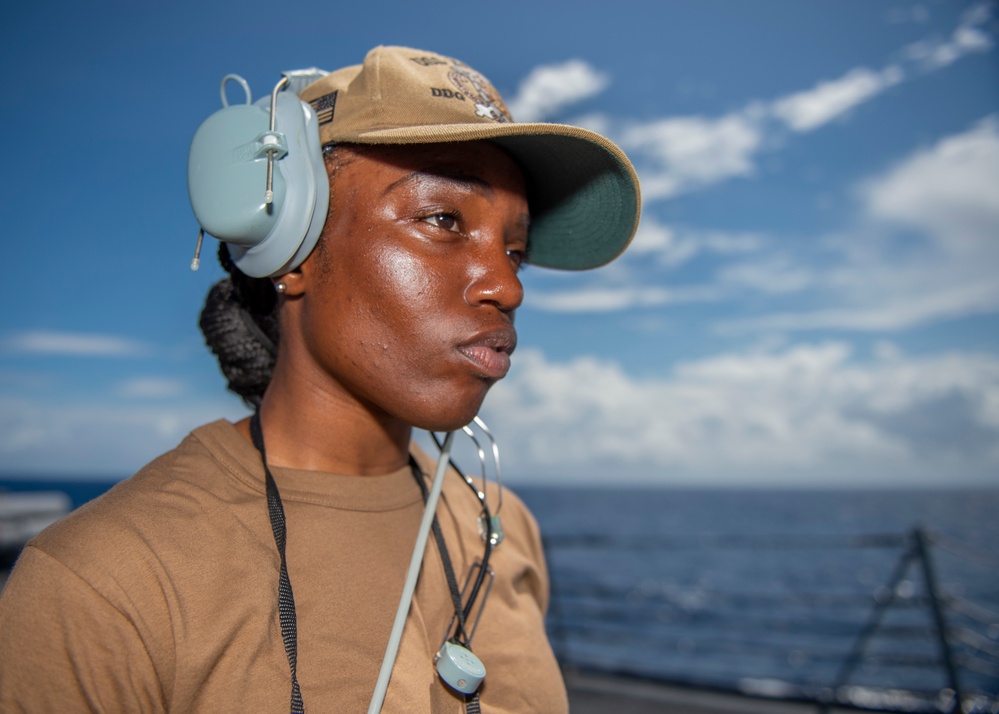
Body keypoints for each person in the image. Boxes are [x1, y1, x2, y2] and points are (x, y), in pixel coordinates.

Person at [0, 46, 640, 713]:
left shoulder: (501, 527)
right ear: (292, 247)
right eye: (443, 220)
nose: (507, 287)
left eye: (515, 250)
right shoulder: (102, 584)